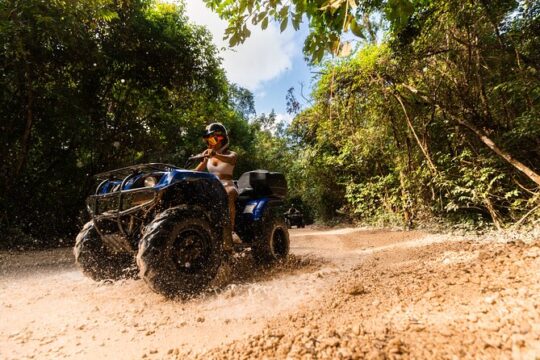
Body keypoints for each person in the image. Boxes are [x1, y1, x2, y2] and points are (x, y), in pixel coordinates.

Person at [195, 123, 238, 251]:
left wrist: (214, 154)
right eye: (208, 140)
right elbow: (197, 171)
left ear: (222, 138)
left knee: (229, 194)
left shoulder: (232, 154)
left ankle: (230, 231)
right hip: (211, 188)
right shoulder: (207, 155)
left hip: (227, 185)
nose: (210, 142)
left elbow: (230, 160)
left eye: (213, 139)